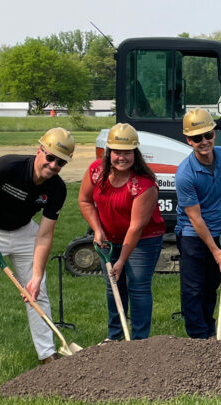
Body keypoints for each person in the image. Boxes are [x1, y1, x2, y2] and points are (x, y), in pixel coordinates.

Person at [79, 123, 165, 342]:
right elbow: (85, 201)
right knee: (114, 286)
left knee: (138, 286)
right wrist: (98, 231)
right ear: (109, 152)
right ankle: (114, 336)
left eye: (127, 152)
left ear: (135, 152)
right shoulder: (96, 171)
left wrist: (121, 261)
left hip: (144, 240)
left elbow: (136, 227)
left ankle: (138, 341)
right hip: (108, 239)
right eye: (117, 152)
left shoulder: (144, 185)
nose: (122, 157)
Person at [0, 128, 75, 364]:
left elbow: (44, 235)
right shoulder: (8, 167)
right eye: (50, 157)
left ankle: (47, 354)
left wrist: (36, 275)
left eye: (60, 162)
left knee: (37, 291)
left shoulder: (57, 189)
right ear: (39, 151)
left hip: (24, 232)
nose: (53, 165)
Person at [175, 108, 221, 339]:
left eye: (208, 135)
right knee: (193, 287)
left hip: (218, 229)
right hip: (193, 233)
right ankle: (197, 336)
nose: (204, 142)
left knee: (212, 283)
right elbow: (195, 217)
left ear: (214, 133)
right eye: (197, 138)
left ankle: (209, 329)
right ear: (189, 141)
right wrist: (215, 250)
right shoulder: (185, 174)